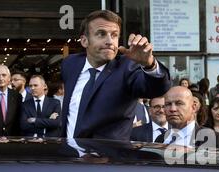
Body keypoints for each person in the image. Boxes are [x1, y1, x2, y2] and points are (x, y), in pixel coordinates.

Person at [60, 10, 170, 140]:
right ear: (84, 41)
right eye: (101, 34)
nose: (110, 41)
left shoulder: (127, 67)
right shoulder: (70, 64)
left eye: (114, 35)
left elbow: (156, 89)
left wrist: (149, 65)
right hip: (68, 155)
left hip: (109, 157)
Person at [0, 65, 22, 136]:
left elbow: (18, 119)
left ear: (9, 78)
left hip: (12, 140)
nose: (1, 78)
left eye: (4, 75)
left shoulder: (17, 96)